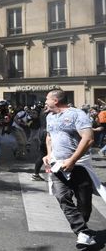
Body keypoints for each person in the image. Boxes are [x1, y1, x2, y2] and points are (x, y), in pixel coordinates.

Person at [43, 89, 105, 248]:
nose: (45, 102)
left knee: (84, 204)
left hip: (79, 165)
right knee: (62, 196)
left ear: (56, 100)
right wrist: (49, 155)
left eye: (47, 99)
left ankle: (82, 230)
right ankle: (82, 231)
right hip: (58, 165)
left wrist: (72, 160)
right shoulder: (49, 116)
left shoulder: (77, 114)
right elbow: (49, 137)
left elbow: (89, 138)